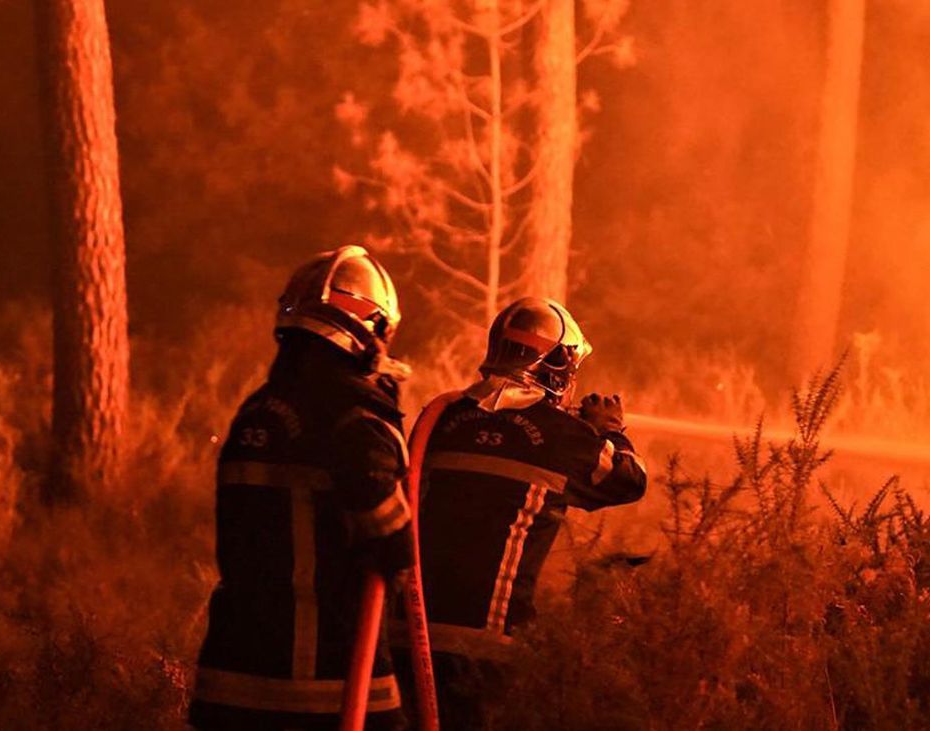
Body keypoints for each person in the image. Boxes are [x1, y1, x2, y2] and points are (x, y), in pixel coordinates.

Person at [189, 245, 414, 731]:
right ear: (373, 329)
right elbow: (394, 542)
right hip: (331, 686)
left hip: (229, 683)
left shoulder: (258, 410)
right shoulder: (357, 418)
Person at [404, 297, 649, 728]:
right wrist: (611, 431)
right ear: (556, 367)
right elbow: (630, 481)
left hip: (407, 635)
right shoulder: (563, 438)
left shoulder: (442, 418)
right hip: (488, 648)